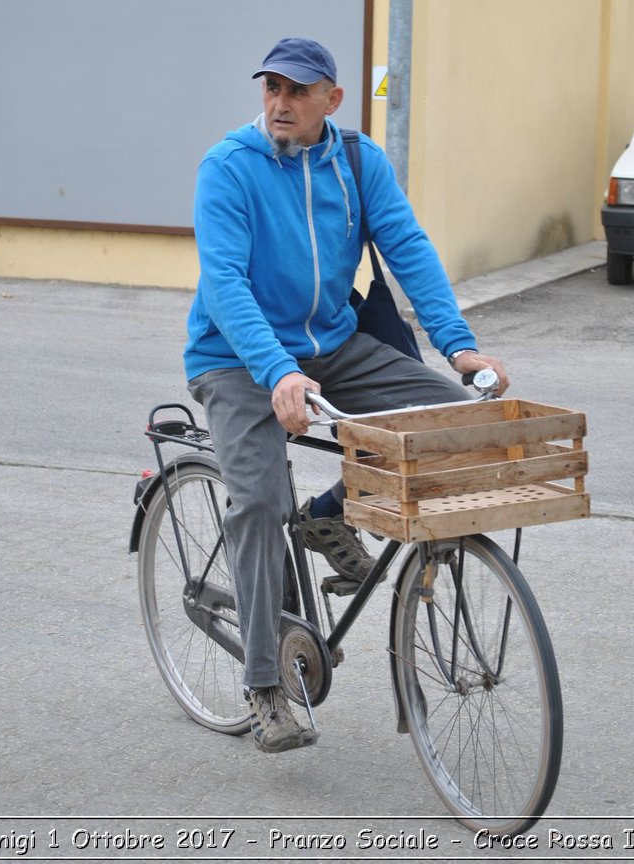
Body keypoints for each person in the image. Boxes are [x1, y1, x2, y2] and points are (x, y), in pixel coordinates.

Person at [185, 37, 507, 754]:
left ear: (332, 99)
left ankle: (328, 517)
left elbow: (408, 248)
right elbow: (225, 287)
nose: (280, 102)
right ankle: (264, 682)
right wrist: (277, 373)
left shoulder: (357, 161)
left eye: (297, 90)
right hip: (237, 360)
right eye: (270, 87)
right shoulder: (228, 169)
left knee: (453, 418)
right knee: (262, 501)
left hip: (331, 346)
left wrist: (458, 347)